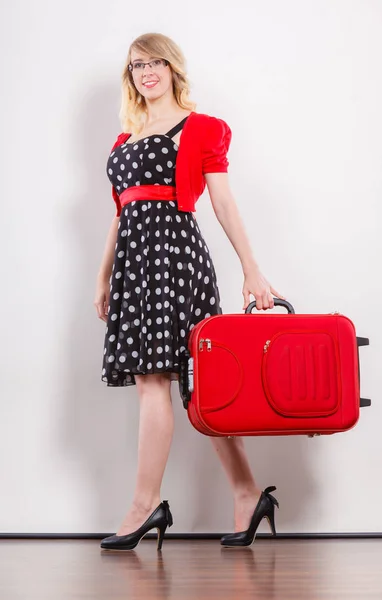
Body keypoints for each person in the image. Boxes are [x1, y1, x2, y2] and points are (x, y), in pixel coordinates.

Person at [94, 32, 285, 551]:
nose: (147, 72)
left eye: (155, 62)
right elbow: (122, 212)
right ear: (129, 75)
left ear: (174, 68)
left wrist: (251, 270)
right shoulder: (125, 137)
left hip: (175, 259)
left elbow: (222, 202)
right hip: (135, 266)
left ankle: (144, 505)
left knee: (190, 385)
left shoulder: (200, 129)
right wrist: (104, 275)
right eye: (137, 65)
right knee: (173, 383)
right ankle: (247, 492)